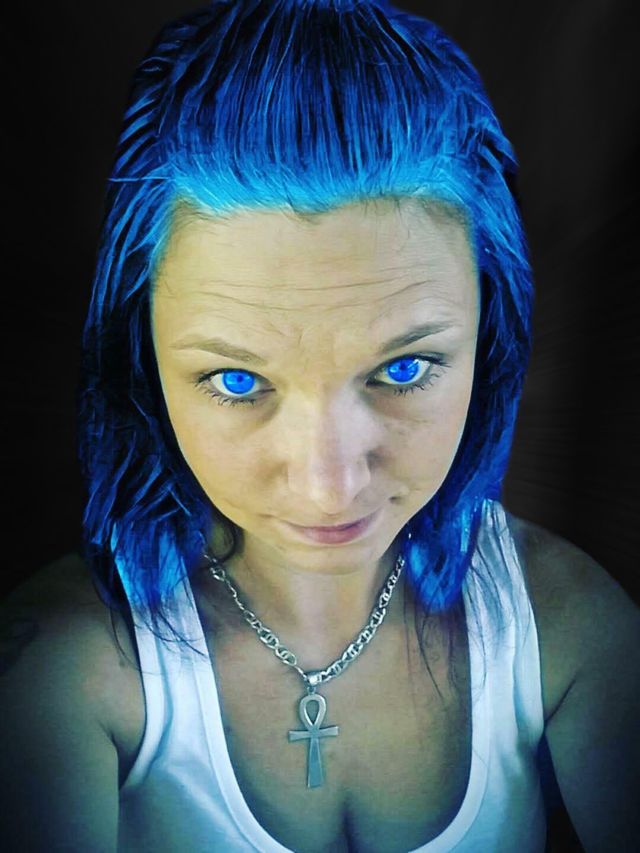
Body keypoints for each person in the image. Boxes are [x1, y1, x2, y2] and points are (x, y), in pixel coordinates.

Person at [1, 1, 638, 850]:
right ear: (140, 356)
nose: (329, 482)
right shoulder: (63, 671)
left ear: (492, 335)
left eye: (403, 370)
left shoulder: (568, 632)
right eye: (237, 380)